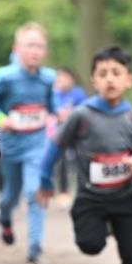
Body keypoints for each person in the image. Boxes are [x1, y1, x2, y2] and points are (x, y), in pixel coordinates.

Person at [37, 45, 132, 264]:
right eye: (103, 74)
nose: (110, 79)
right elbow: (55, 145)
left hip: (124, 199)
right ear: (93, 81)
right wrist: (45, 180)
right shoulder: (82, 115)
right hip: (90, 198)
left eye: (116, 73)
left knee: (131, 253)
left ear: (129, 79)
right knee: (90, 245)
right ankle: (101, 228)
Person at [0, 23, 55, 263]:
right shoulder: (5, 76)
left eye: (39, 46)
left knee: (34, 191)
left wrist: (56, 117)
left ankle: (35, 246)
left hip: (37, 144)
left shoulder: (48, 78)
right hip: (10, 146)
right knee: (10, 196)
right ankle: (4, 217)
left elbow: (51, 107)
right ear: (17, 49)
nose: (35, 51)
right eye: (30, 45)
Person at [51, 67, 87, 201]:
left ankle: (83, 189)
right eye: (59, 78)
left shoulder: (78, 93)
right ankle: (63, 191)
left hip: (77, 133)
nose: (61, 81)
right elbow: (52, 112)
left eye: (64, 78)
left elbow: (84, 111)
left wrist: (71, 115)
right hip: (60, 132)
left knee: (81, 159)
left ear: (71, 79)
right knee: (61, 161)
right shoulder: (54, 94)